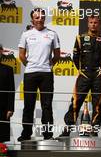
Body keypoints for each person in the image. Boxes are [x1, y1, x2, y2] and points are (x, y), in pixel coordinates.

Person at [59, 15, 101, 137]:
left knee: (97, 103)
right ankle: (68, 128)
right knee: (75, 102)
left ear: (99, 24)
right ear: (88, 24)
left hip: (98, 76)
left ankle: (94, 130)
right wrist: (80, 70)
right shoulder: (80, 38)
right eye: (91, 22)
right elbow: (75, 56)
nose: (93, 24)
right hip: (84, 74)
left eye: (95, 22)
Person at [17, 8, 61, 141]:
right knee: (28, 104)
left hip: (46, 74)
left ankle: (48, 134)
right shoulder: (26, 34)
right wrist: (31, 65)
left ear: (44, 19)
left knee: (46, 105)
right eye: (37, 17)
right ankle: (26, 133)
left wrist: (47, 65)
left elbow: (57, 55)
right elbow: (21, 55)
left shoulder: (52, 34)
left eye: (42, 17)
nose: (40, 19)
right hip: (30, 73)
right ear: (32, 20)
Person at [0, 44, 15, 143]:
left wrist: (10, 108)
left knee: (1, 136)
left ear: (1, 52)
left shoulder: (8, 69)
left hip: (3, 108)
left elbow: (11, 90)